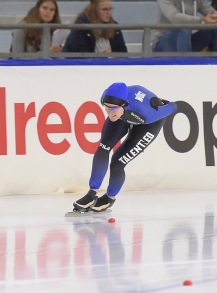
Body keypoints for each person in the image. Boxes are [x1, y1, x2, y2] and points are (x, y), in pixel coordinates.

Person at [70, 82, 177, 214]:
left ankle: (109, 198)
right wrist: (114, 110)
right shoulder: (107, 97)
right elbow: (112, 109)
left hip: (149, 123)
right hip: (124, 116)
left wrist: (166, 103)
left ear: (124, 105)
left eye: (113, 108)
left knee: (118, 161)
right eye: (106, 108)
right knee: (103, 148)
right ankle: (92, 194)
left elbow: (173, 107)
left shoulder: (148, 113)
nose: (109, 112)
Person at [63, 0, 128, 53]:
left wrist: (113, 56)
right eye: (104, 9)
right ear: (94, 10)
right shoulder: (81, 26)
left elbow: (123, 53)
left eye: (110, 9)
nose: (108, 13)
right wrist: (101, 57)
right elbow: (80, 54)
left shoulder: (114, 26)